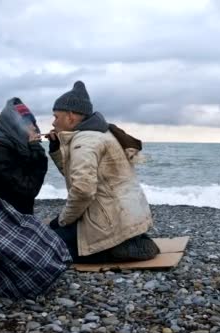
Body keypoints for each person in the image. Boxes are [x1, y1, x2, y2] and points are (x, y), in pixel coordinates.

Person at [46, 81, 159, 263]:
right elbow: (75, 175)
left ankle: (114, 248)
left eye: (56, 116)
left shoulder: (85, 141)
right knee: (55, 231)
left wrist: (64, 220)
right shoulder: (102, 133)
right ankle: (131, 241)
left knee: (47, 246)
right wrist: (56, 147)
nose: (53, 122)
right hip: (128, 217)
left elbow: (82, 190)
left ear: (70, 116)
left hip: (108, 221)